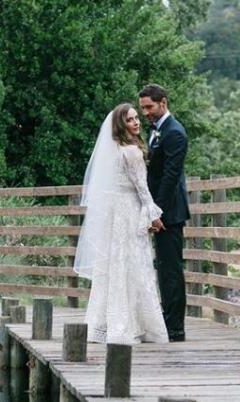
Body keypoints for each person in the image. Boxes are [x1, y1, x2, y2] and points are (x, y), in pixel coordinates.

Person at [74, 103, 168, 345]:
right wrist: (153, 215)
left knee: (113, 264)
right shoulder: (132, 152)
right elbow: (141, 188)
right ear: (121, 125)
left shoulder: (113, 151)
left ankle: (102, 324)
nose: (136, 122)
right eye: (130, 120)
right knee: (134, 264)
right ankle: (134, 326)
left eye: (137, 118)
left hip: (113, 212)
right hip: (128, 211)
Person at [139, 84, 190, 342]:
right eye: (143, 108)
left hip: (169, 212)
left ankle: (176, 329)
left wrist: (155, 211)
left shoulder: (175, 133)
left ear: (163, 103)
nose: (146, 112)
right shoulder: (157, 131)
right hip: (161, 210)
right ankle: (167, 321)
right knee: (164, 269)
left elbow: (170, 176)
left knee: (171, 270)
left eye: (149, 107)